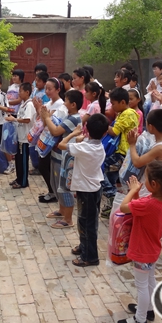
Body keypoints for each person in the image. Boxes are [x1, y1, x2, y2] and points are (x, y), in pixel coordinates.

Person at [117, 161, 162, 323]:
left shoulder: (149, 203)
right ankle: (149, 310)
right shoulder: (160, 200)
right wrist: (136, 193)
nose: (143, 181)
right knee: (150, 281)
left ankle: (140, 319)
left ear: (154, 184)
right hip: (152, 250)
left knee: (141, 286)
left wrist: (132, 190)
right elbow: (138, 209)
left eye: (145, 178)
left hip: (142, 251)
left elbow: (124, 207)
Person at [59, 114, 108, 267]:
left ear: (87, 129)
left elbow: (61, 145)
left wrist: (73, 134)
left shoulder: (85, 148)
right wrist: (80, 139)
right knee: (85, 221)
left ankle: (90, 257)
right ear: (104, 133)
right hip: (93, 188)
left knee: (87, 223)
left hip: (87, 191)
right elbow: (83, 144)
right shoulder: (97, 146)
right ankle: (84, 246)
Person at [39, 90, 83, 229]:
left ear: (73, 104)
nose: (64, 103)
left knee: (65, 187)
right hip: (58, 155)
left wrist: (47, 118)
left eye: (66, 101)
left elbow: (56, 131)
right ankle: (62, 210)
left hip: (66, 158)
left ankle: (68, 219)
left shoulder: (74, 118)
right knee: (56, 183)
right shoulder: (69, 116)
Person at [100, 88, 139, 218]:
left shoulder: (128, 113)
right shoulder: (123, 113)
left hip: (122, 152)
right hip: (119, 152)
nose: (112, 106)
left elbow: (114, 131)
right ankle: (111, 205)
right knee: (111, 177)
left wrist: (101, 124)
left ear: (122, 102)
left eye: (113, 103)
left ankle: (110, 194)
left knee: (99, 168)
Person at [35, 78, 69, 203]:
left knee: (46, 166)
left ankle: (53, 192)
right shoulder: (49, 103)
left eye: (50, 89)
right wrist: (41, 112)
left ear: (58, 90)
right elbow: (44, 122)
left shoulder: (60, 105)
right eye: (46, 89)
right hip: (46, 139)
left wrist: (43, 114)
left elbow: (51, 124)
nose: (47, 91)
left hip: (53, 141)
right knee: (44, 166)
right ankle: (52, 191)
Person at [6, 82, 35, 189]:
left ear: (27, 92)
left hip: (25, 139)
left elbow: (27, 119)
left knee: (23, 161)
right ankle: (18, 178)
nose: (19, 93)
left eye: (21, 91)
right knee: (18, 160)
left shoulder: (29, 105)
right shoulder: (23, 104)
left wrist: (14, 119)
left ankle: (23, 182)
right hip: (20, 137)